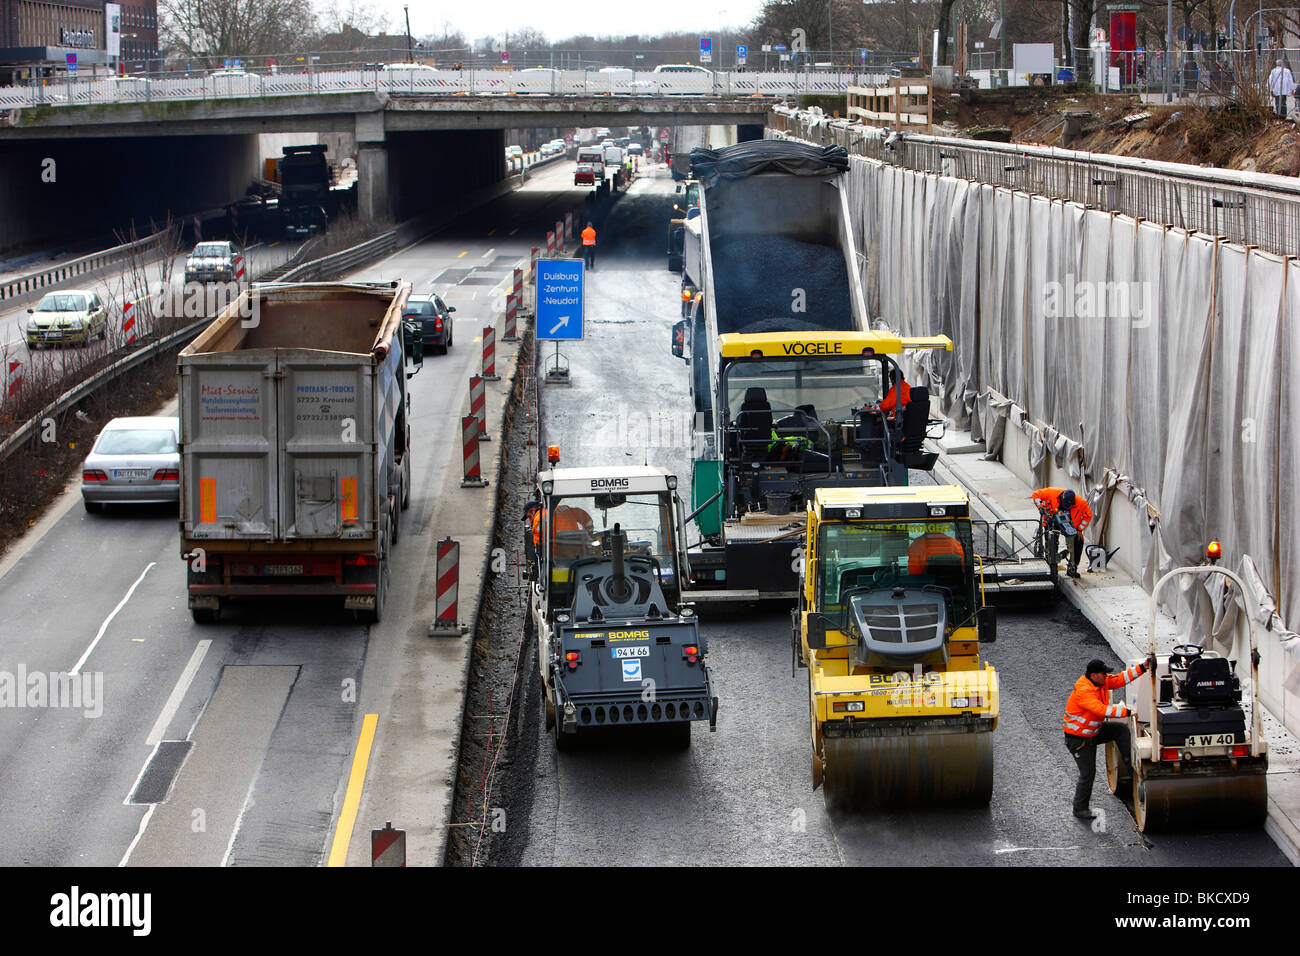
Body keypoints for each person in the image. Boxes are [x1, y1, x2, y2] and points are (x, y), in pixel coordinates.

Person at [1063, 657, 1151, 820]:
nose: (1106, 676)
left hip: (1093, 732)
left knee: (1120, 730)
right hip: (1079, 740)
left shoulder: (1101, 682)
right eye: (1103, 674)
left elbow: (1119, 679)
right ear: (1094, 675)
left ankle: (1131, 768)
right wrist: (1127, 712)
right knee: (1088, 774)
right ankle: (1080, 809)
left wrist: (1142, 668)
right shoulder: (1085, 690)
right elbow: (1101, 710)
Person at [1032, 486, 1092, 579]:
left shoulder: (1081, 503)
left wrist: (1080, 529)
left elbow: (1088, 516)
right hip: (1051, 520)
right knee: (1051, 542)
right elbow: (1035, 494)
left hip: (1070, 525)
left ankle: (1073, 567)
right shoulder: (1052, 493)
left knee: (1078, 542)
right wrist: (1040, 507)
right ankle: (1051, 563)